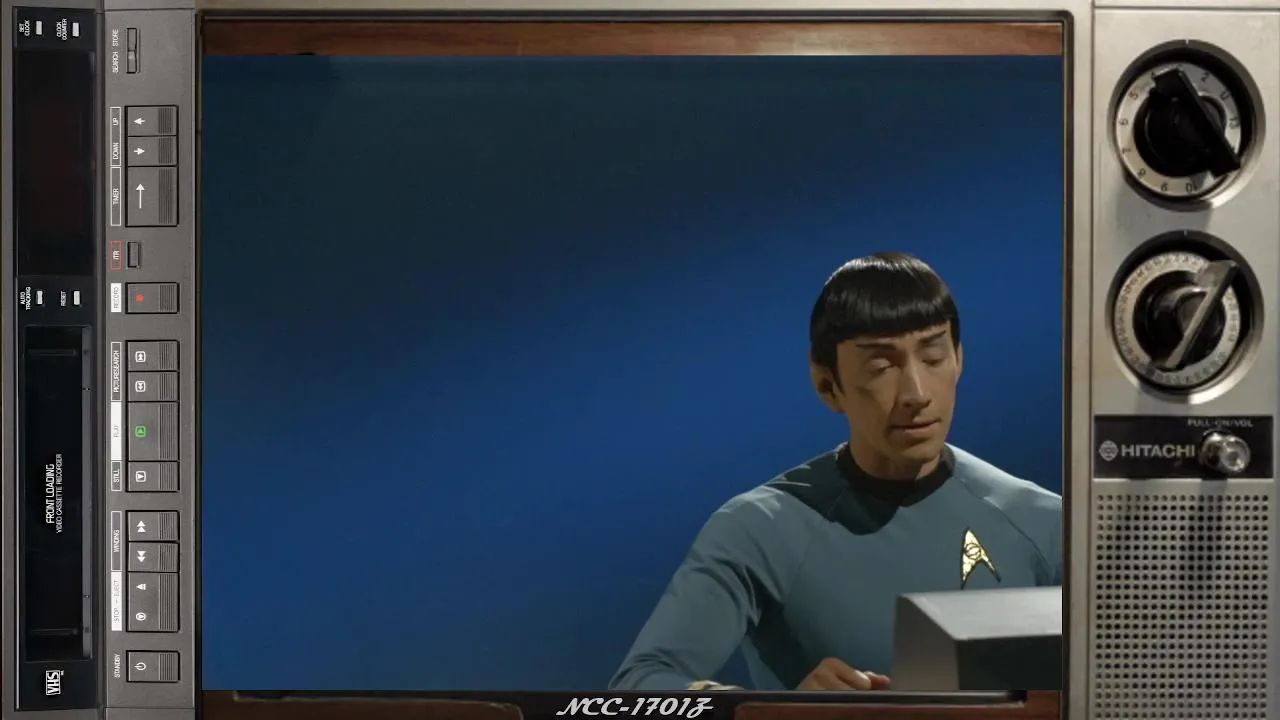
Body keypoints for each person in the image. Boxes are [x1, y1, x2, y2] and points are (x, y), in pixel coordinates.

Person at [609, 252, 1062, 692]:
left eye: (932, 357)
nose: (916, 393)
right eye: (881, 366)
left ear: (959, 359)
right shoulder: (760, 530)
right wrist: (784, 715)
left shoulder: (1047, 525)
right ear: (827, 384)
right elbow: (639, 687)